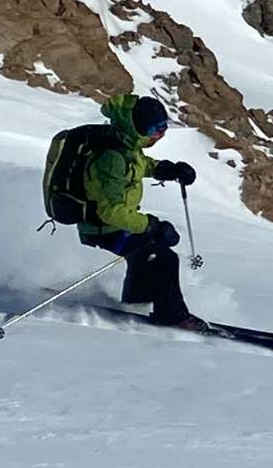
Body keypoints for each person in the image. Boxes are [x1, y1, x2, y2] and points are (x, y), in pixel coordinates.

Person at [78, 93, 200, 326]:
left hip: (113, 224)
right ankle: (172, 315)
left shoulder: (127, 145)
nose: (161, 134)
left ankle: (136, 302)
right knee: (162, 257)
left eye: (164, 127)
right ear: (140, 128)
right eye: (157, 128)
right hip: (102, 227)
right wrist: (152, 226)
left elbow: (139, 165)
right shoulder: (111, 157)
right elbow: (110, 211)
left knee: (146, 253)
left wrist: (168, 170)